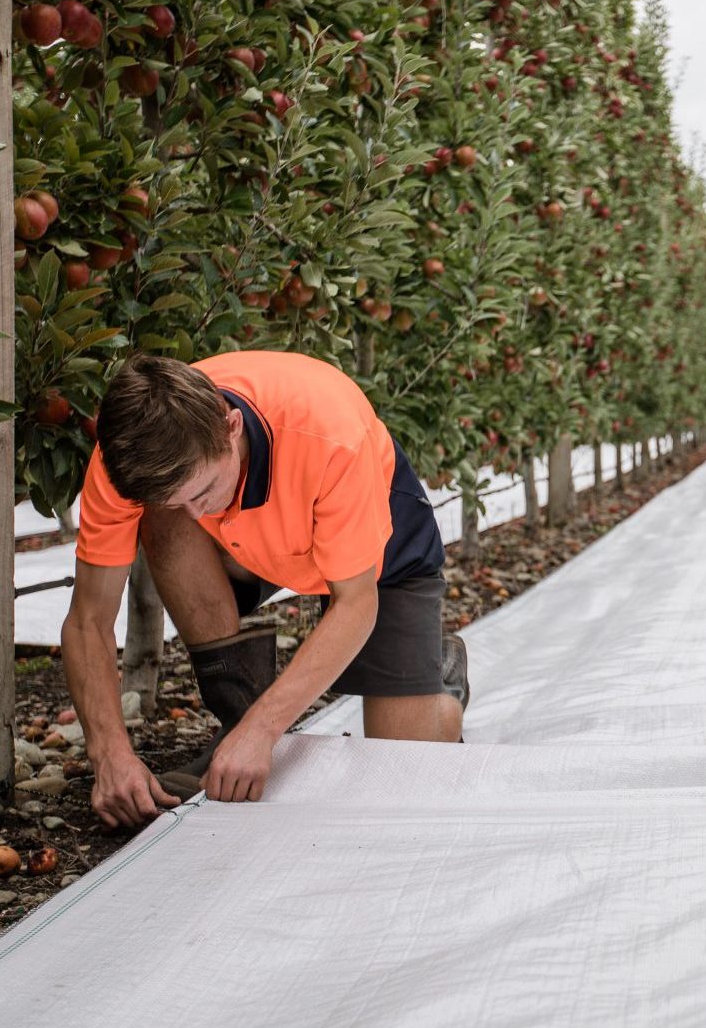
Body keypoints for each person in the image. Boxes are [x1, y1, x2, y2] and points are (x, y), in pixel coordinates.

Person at [59, 352, 469, 828]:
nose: (193, 515)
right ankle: (236, 718)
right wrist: (109, 753)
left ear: (231, 426)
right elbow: (88, 619)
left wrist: (266, 729)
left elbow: (355, 602)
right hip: (251, 542)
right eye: (177, 500)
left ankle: (440, 675)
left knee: (404, 772)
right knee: (165, 518)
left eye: (202, 490)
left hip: (375, 552)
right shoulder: (125, 459)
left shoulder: (330, 435)